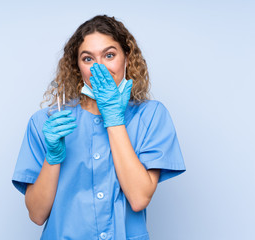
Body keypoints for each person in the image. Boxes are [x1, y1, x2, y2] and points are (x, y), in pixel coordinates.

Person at [12, 15, 186, 240]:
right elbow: (37, 214)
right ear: (77, 66)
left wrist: (113, 118)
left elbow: (139, 198)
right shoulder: (47, 122)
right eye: (88, 59)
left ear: (127, 59)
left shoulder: (150, 116)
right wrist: (52, 157)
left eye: (110, 55)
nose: (99, 68)